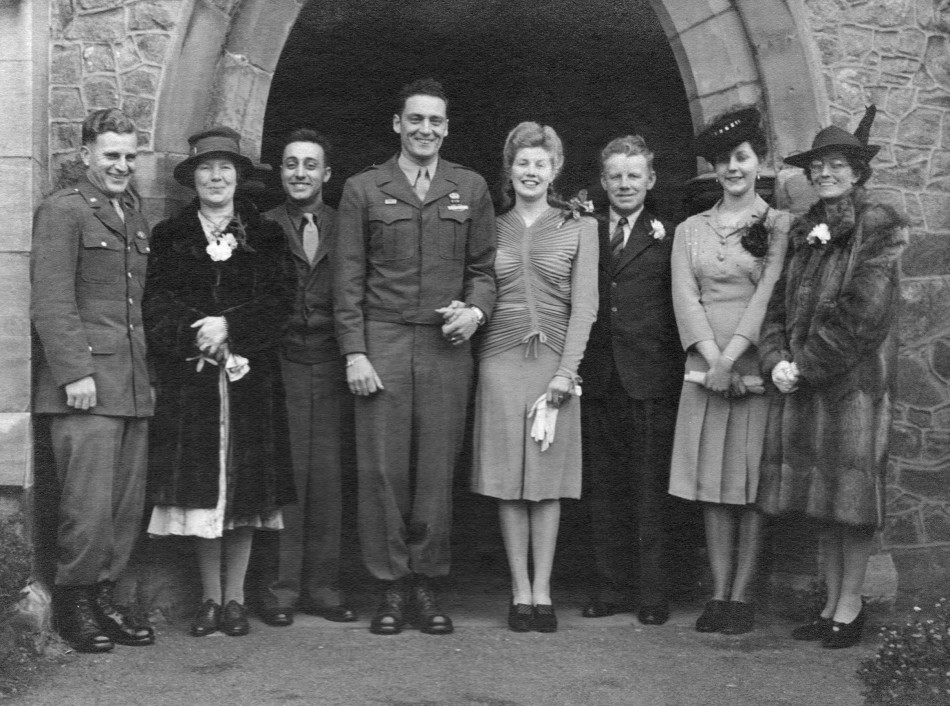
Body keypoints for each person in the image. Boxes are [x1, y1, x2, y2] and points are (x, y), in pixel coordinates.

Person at [333, 79, 496, 635]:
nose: (426, 129)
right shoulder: (363, 188)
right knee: (381, 470)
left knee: (434, 472)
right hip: (383, 341)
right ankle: (389, 586)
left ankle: (425, 584)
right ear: (397, 124)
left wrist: (474, 311)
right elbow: (347, 282)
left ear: (446, 129)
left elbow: (484, 271)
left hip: (445, 348)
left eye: (436, 122)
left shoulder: (469, 187)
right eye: (416, 120)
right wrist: (355, 352)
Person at [758, 106, 906, 649]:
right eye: (818, 166)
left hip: (853, 389)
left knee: (852, 503)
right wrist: (775, 358)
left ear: (858, 172)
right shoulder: (804, 230)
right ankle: (829, 604)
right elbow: (777, 305)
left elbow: (864, 312)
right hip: (804, 386)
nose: (825, 174)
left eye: (838, 164)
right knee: (825, 502)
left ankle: (850, 605)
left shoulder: (880, 225)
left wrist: (807, 363)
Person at [143, 126, 295, 638]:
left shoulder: (266, 234)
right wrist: (198, 334)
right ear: (193, 178)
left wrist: (232, 326)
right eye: (206, 168)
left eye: (225, 168)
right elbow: (156, 304)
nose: (216, 177)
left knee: (247, 491)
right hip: (194, 384)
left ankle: (236, 599)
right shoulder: (170, 235)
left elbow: (280, 301)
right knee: (205, 492)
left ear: (238, 176)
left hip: (251, 379)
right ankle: (210, 597)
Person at [31, 108, 156, 653]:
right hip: (84, 388)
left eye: (130, 156)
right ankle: (74, 604)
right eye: (111, 155)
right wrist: (75, 372)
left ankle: (105, 598)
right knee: (85, 508)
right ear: (85, 156)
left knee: (123, 508)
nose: (121, 165)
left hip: (130, 385)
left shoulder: (133, 211)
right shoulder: (64, 211)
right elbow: (51, 299)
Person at [668, 107, 791, 635]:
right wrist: (710, 357)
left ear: (758, 161)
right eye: (723, 162)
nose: (732, 169)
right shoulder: (690, 229)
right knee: (712, 484)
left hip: (753, 364)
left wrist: (733, 356)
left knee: (748, 485)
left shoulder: (778, 224)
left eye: (740, 158)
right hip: (705, 366)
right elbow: (685, 297)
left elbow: (768, 294)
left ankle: (742, 596)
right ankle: (717, 593)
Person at [471, 122, 598, 633]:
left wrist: (568, 371)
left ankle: (543, 591)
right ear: (510, 167)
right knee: (507, 482)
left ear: (555, 170)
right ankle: (518, 591)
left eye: (540, 163)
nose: (531, 171)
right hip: (499, 362)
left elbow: (585, 306)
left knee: (545, 484)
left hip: (553, 365)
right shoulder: (490, 226)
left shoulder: (578, 227)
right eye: (522, 162)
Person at [578, 135, 682, 625]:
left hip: (650, 378)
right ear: (603, 181)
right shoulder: (587, 232)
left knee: (648, 489)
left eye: (633, 175)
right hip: (599, 377)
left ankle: (652, 593)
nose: (624, 184)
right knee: (605, 489)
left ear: (650, 181)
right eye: (615, 176)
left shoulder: (670, 235)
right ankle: (610, 587)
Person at [257, 128, 356, 626]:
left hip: (335, 363)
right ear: (281, 171)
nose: (300, 173)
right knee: (288, 477)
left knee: (328, 479)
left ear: (327, 174)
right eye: (292, 164)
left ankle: (324, 586)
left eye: (310, 165)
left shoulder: (347, 225)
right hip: (283, 364)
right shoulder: (262, 224)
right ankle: (281, 589)